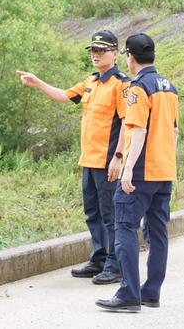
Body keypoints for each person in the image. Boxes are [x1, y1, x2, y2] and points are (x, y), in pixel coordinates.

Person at [17, 30, 129, 285]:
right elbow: (64, 96)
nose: (96, 54)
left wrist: (119, 157)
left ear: (114, 53)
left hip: (107, 162)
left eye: (102, 50)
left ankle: (116, 264)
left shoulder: (121, 84)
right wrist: (37, 82)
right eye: (93, 50)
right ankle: (99, 258)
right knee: (93, 213)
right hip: (88, 160)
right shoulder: (91, 82)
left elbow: (127, 123)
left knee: (110, 214)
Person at [96, 33, 179, 312]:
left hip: (142, 171)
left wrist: (127, 168)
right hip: (165, 170)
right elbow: (175, 131)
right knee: (157, 232)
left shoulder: (137, 89)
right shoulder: (170, 87)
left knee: (125, 228)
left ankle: (129, 294)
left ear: (129, 57)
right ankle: (151, 292)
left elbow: (138, 129)